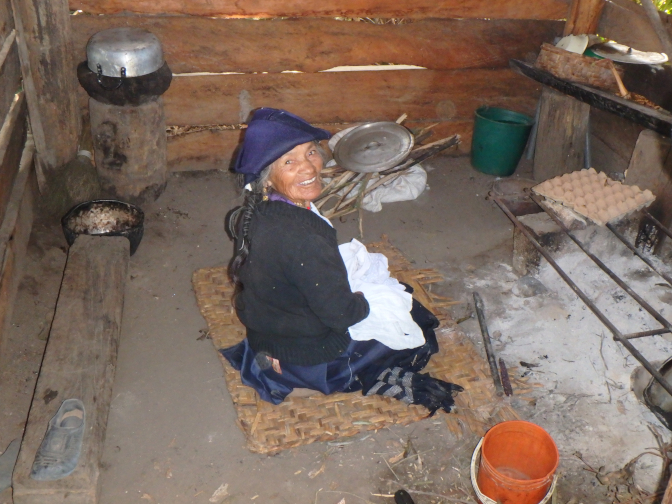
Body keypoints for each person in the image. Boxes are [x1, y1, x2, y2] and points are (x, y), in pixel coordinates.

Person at [224, 108, 463, 415]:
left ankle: (276, 362)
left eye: (311, 152)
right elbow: (342, 315)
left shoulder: (253, 213)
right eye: (289, 161)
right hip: (310, 353)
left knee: (396, 292)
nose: (309, 166)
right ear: (267, 179)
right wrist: (362, 301)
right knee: (418, 325)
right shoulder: (305, 236)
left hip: (268, 333)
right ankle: (344, 376)